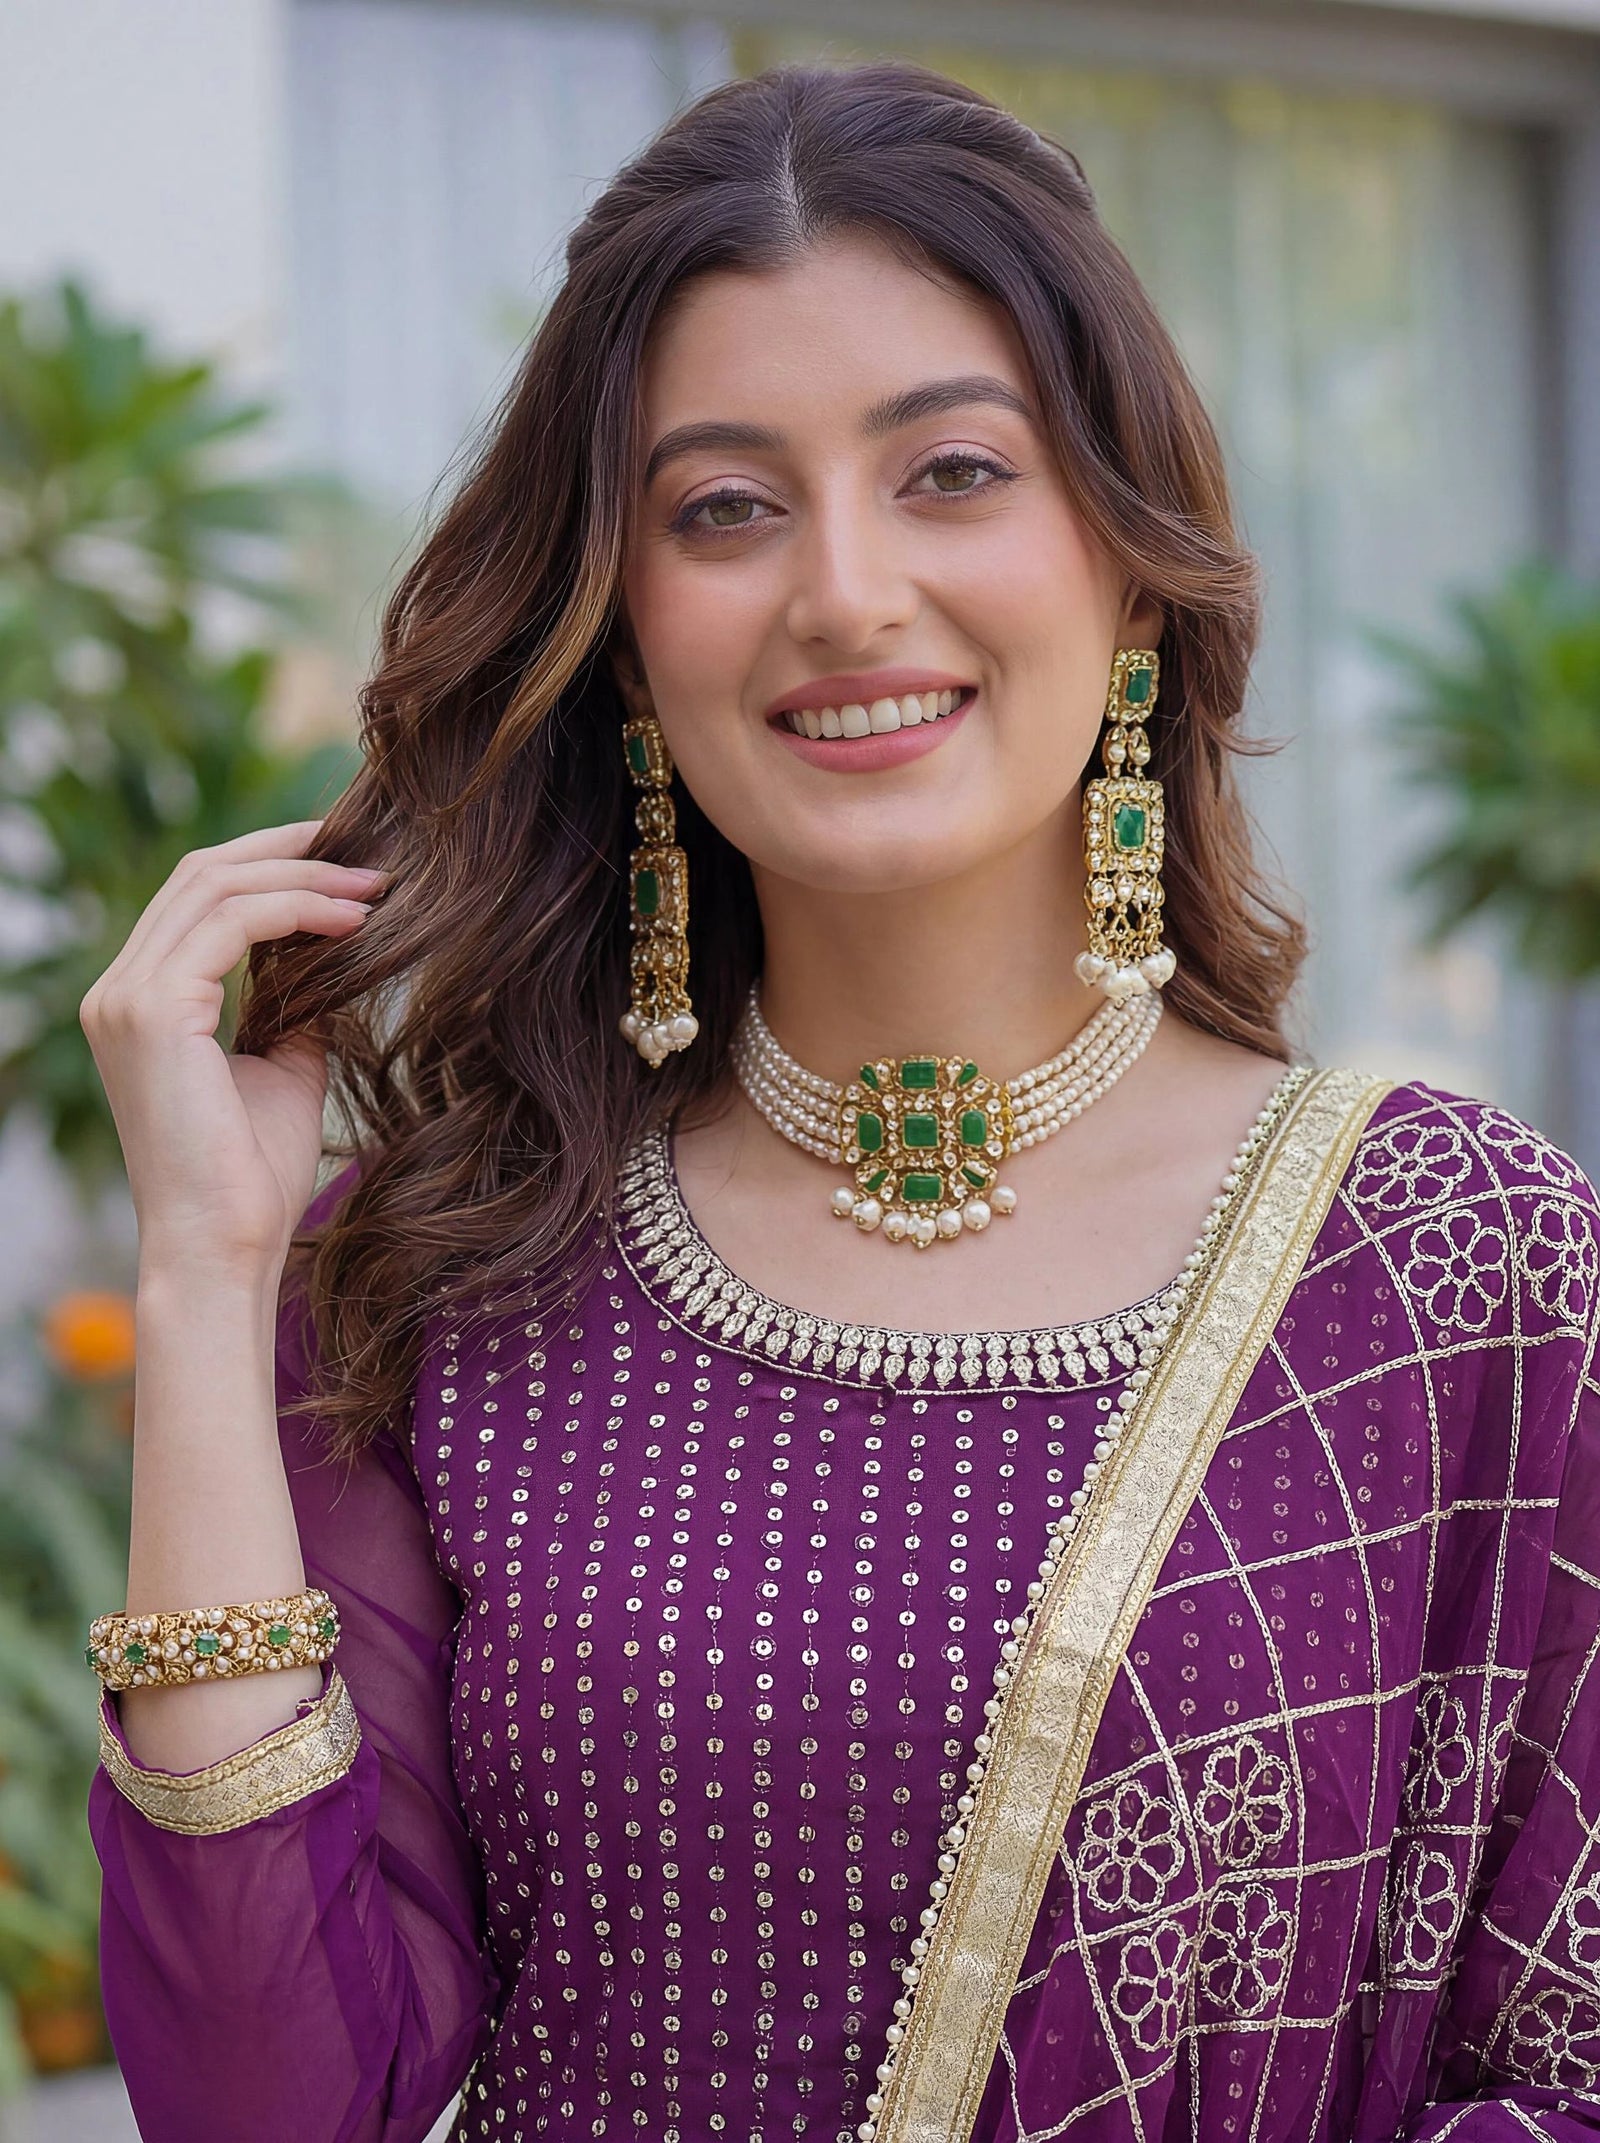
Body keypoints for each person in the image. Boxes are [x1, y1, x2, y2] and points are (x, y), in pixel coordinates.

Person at [78, 57, 1600, 2143]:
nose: (844, 593)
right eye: (721, 506)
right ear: (625, 638)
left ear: (1130, 564)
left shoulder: (1455, 1269)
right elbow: (268, 2108)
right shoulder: (437, 1278)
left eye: (951, 472)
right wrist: (198, 1259)